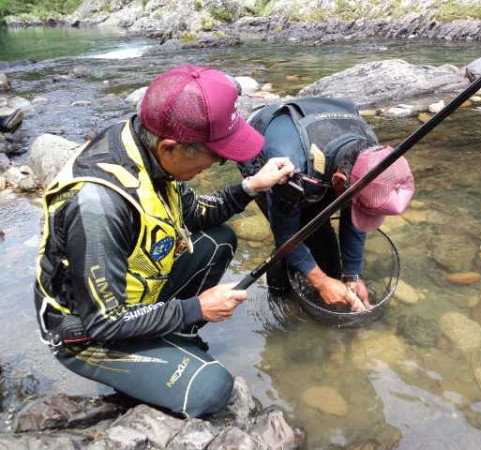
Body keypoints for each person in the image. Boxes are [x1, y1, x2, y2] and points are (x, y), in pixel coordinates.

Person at [33, 65, 294, 418]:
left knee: (219, 240)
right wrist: (196, 309)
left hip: (130, 296)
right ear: (172, 148)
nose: (219, 163)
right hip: (87, 331)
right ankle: (154, 363)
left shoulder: (148, 147)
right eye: (216, 156)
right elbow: (104, 322)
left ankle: (170, 343)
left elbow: (198, 214)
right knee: (213, 389)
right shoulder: (98, 206)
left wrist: (252, 186)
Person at [240, 97, 414, 312]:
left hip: (321, 144)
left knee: (328, 255)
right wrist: (321, 282)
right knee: (301, 227)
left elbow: (354, 214)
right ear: (339, 180)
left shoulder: (374, 152)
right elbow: (285, 234)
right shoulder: (288, 166)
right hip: (263, 139)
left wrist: (352, 275)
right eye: (356, 202)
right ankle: (280, 294)